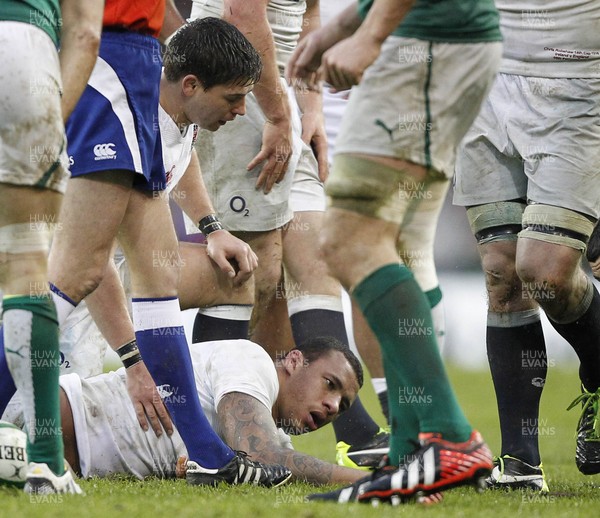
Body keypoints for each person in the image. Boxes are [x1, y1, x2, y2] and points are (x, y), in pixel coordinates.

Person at [0, 12, 290, 489]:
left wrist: (211, 226)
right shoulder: (125, 77)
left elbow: (181, 149)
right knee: (79, 276)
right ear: (193, 86)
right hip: (56, 308)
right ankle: (58, 459)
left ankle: (206, 453)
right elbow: (89, 270)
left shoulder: (172, 101)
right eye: (235, 99)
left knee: (166, 279)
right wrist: (134, 363)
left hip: (121, 56)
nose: (241, 111)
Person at [287, 0, 502, 504]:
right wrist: (343, 26)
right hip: (438, 41)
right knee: (400, 247)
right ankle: (410, 455)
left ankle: (449, 437)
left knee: (349, 239)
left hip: (423, 41)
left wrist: (372, 32)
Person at [189, 0, 387, 466]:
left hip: (283, 99)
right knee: (248, 273)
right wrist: (279, 114)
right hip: (239, 82)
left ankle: (346, 434)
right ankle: (204, 433)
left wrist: (308, 106)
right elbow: (243, 13)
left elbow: (309, 17)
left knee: (312, 258)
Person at [453, 0, 600, 490]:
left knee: (546, 272)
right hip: (480, 77)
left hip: (577, 78)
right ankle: (520, 462)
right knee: (503, 275)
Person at [5, 337, 365, 486]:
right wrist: (367, 482)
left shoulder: (276, 432)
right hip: (55, 420)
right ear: (295, 361)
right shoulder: (253, 361)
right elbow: (264, 454)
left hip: (70, 463)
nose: (333, 406)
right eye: (330, 384)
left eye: (342, 406)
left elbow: (269, 458)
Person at [0, 0, 102, 494]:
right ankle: (44, 462)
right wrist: (49, 127)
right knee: (23, 262)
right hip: (22, 51)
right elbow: (85, 34)